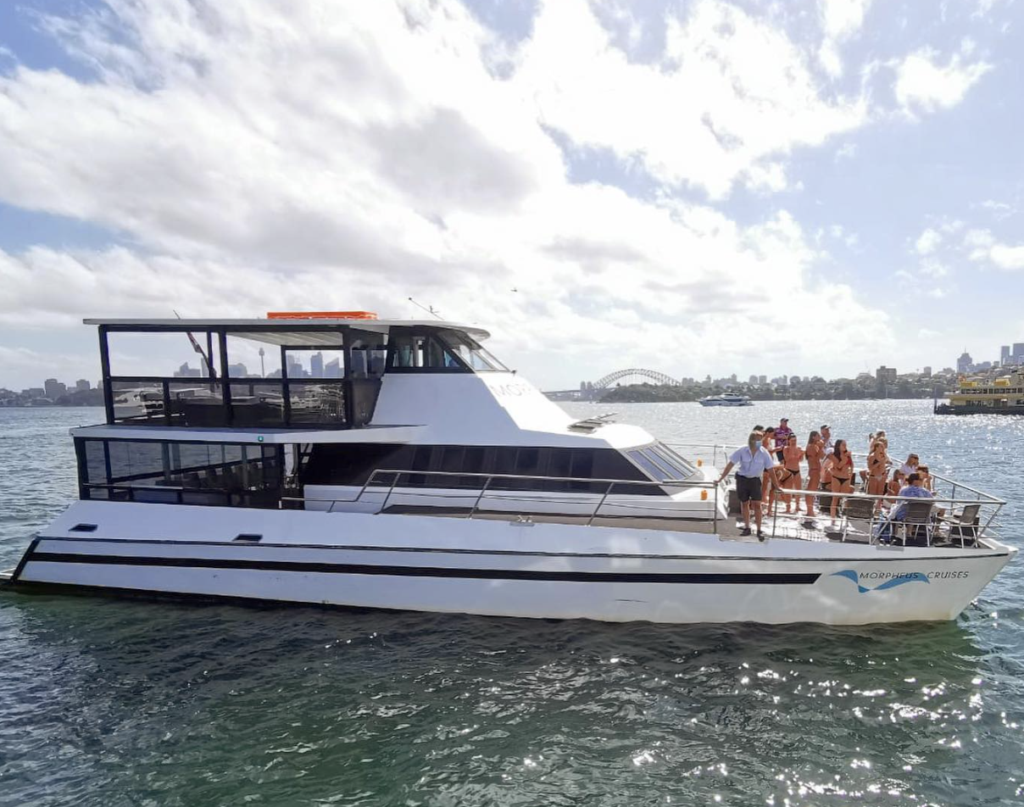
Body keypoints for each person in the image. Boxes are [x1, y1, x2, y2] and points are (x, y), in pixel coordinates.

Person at [717, 432, 781, 540]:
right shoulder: (742, 451)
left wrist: (777, 486)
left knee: (757, 504)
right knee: (744, 503)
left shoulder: (764, 453)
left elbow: (771, 470)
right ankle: (747, 527)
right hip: (742, 480)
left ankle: (759, 529)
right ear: (751, 440)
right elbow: (730, 465)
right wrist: (720, 479)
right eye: (758, 440)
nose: (760, 442)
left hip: (755, 481)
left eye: (760, 439)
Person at [823, 439, 854, 519]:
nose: (845, 446)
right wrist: (844, 458)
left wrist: (850, 475)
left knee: (845, 496)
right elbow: (839, 466)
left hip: (846, 477)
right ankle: (832, 519)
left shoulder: (848, 455)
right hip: (836, 477)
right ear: (838, 446)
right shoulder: (834, 455)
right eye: (843, 445)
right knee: (835, 498)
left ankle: (844, 516)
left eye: (845, 444)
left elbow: (852, 465)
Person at [780, 433, 805, 514]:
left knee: (798, 489)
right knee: (788, 490)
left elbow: (801, 460)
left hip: (797, 470)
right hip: (789, 470)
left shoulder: (799, 448)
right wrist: (793, 451)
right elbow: (787, 459)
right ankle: (788, 507)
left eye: (795, 440)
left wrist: (801, 454)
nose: (794, 442)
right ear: (789, 441)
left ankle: (797, 506)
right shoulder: (786, 448)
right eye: (792, 440)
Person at [804, 430, 824, 517]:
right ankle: (810, 511)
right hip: (814, 470)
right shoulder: (811, 447)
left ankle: (810, 510)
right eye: (818, 436)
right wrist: (820, 447)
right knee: (811, 491)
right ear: (813, 437)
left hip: (815, 470)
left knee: (812, 491)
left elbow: (822, 456)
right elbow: (816, 459)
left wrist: (821, 447)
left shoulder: (815, 446)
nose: (819, 437)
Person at [866, 440, 889, 504]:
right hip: (874, 476)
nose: (883, 448)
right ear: (876, 447)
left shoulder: (883, 456)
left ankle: (878, 508)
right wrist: (879, 462)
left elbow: (886, 462)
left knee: (880, 492)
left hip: (882, 475)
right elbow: (870, 467)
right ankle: (871, 506)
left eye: (883, 447)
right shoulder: (872, 457)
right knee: (873, 493)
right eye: (881, 446)